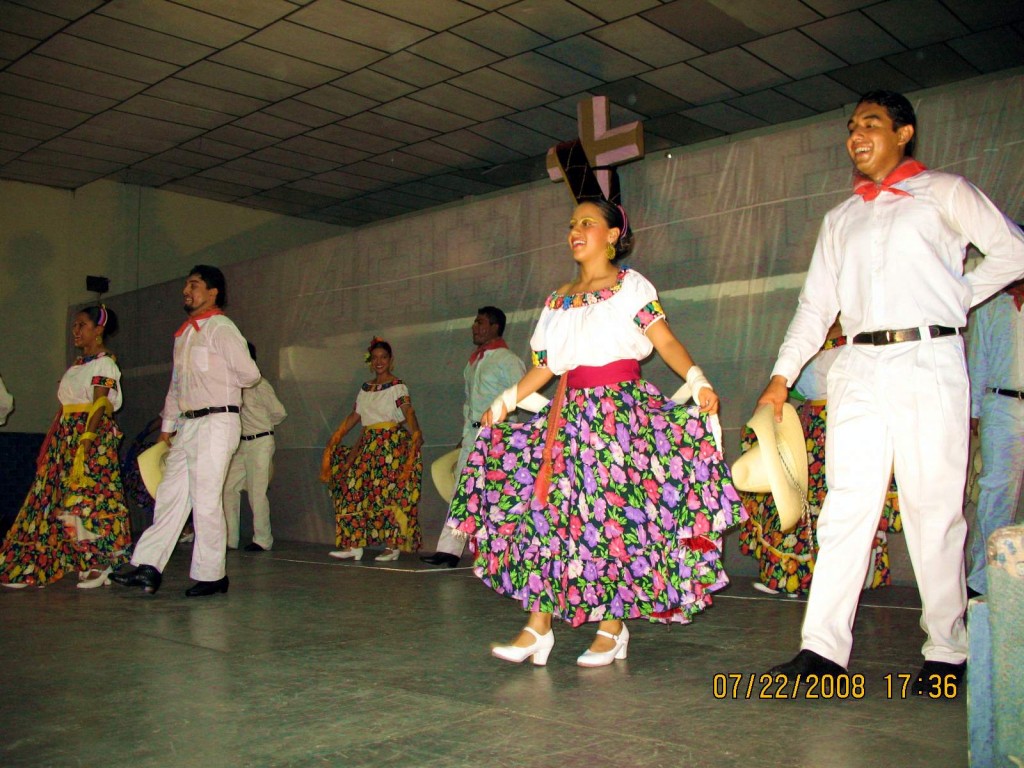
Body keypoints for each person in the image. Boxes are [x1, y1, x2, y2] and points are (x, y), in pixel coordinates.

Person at [759, 90, 1024, 693]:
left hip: (927, 358)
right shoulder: (840, 218)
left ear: (904, 132)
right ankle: (821, 651)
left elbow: (1014, 250)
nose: (856, 135)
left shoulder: (944, 192)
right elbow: (814, 306)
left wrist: (958, 294)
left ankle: (947, 653)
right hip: (856, 364)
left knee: (934, 508)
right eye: (851, 126)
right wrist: (779, 378)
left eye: (871, 124)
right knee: (846, 507)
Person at [446, 198, 743, 667]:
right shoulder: (557, 298)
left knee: (609, 520)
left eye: (588, 222)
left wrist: (696, 378)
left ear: (612, 235)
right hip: (568, 416)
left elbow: (663, 339)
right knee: (549, 516)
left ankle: (612, 626)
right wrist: (506, 399)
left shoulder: (630, 286)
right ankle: (537, 628)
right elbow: (545, 366)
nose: (576, 230)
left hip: (619, 416)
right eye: (571, 224)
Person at [111, 265, 260, 597]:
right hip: (188, 425)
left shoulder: (221, 328)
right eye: (186, 285)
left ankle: (212, 576)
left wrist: (219, 386)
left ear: (212, 292)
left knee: (205, 499)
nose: (186, 291)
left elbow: (250, 375)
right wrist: (167, 427)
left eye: (194, 285)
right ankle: (148, 567)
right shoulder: (184, 335)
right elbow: (176, 387)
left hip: (218, 422)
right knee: (169, 495)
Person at [738, 320, 902, 596]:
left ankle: (846, 583)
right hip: (809, 429)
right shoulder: (810, 341)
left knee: (844, 504)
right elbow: (798, 389)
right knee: (797, 501)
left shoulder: (860, 340)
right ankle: (794, 577)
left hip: (846, 427)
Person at [1, 305, 132, 589]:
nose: (76, 330)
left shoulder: (105, 364)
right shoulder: (78, 365)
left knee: (88, 498)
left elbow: (100, 403)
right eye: (75, 325)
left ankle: (100, 561)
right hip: (66, 436)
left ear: (98, 331)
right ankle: (35, 563)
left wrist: (86, 440)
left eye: (82, 325)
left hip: (90, 437)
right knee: (50, 496)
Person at [421, 307, 526, 568]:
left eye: (479, 322)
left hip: (498, 435)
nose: (474, 327)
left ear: (494, 327)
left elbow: (522, 394)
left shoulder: (507, 360)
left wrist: (510, 434)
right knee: (461, 490)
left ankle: (510, 553)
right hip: (473, 435)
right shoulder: (475, 361)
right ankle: (449, 550)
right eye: (474, 322)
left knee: (498, 494)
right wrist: (465, 436)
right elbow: (470, 404)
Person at [320, 338, 423, 562]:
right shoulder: (365, 388)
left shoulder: (397, 387)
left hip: (390, 445)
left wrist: (416, 432)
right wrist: (337, 436)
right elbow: (355, 416)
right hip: (367, 444)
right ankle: (353, 545)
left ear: (390, 360)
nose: (379, 362)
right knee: (352, 488)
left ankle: (393, 546)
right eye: (375, 358)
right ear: (370, 361)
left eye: (383, 358)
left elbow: (408, 411)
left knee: (388, 492)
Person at [965, 275, 1024, 596]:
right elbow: (979, 359)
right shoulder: (990, 307)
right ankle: (983, 580)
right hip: (1000, 405)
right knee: (995, 491)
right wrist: (973, 412)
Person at [223, 342, 287, 552]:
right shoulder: (231, 385)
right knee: (228, 487)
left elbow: (279, 412)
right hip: (241, 443)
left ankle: (263, 539)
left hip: (260, 441)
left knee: (256, 492)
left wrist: (262, 426)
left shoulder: (260, 384)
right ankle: (229, 539)